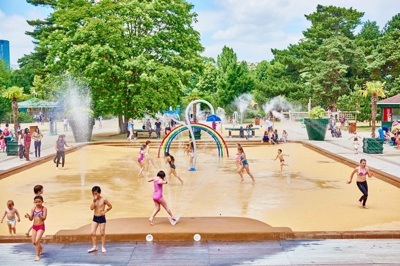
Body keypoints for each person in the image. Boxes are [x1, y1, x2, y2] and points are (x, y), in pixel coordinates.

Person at [88, 186, 112, 253]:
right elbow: (91, 208)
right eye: (93, 194)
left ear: (99, 193)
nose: (95, 195)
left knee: (102, 233)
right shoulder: (94, 200)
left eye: (96, 193)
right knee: (92, 233)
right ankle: (94, 246)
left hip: (102, 218)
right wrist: (94, 201)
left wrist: (105, 211)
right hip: (95, 218)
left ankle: (103, 247)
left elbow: (110, 206)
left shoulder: (104, 199)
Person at [24, 195, 47, 261]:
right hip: (34, 227)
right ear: (34, 202)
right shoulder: (33, 209)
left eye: (39, 202)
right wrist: (28, 216)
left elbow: (44, 218)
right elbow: (31, 219)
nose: (38, 203)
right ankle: (40, 248)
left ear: (42, 201)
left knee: (37, 241)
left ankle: (37, 255)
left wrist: (41, 216)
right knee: (34, 242)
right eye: (36, 202)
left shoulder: (44, 209)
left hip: (41, 226)